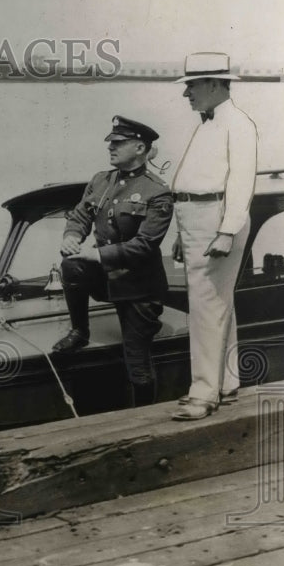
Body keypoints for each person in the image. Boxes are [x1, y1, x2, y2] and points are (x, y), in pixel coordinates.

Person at [51, 116, 174, 407]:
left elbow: (144, 245)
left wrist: (96, 254)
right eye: (111, 142)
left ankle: (145, 419)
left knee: (138, 366)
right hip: (107, 278)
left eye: (118, 143)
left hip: (139, 289)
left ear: (140, 148)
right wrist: (71, 236)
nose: (111, 147)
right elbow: (80, 215)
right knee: (72, 266)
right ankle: (80, 331)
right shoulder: (101, 180)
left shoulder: (157, 191)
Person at [170, 53, 258, 421]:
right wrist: (181, 230)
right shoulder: (209, 123)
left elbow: (241, 181)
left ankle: (203, 394)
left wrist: (226, 231)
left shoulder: (237, 124)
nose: (186, 93)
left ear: (213, 84)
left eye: (191, 85)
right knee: (218, 302)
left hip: (216, 219)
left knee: (206, 305)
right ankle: (227, 383)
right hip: (196, 219)